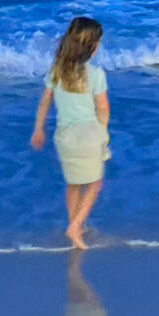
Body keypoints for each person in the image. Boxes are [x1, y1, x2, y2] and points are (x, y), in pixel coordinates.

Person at [31, 17, 110, 250]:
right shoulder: (96, 74)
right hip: (90, 134)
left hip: (64, 136)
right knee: (95, 183)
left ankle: (75, 223)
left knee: (73, 183)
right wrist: (103, 132)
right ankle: (76, 225)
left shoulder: (57, 71)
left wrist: (38, 129)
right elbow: (103, 108)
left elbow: (45, 102)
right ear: (92, 47)